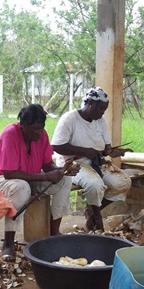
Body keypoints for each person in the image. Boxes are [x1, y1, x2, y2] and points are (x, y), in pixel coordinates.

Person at [0, 104, 79, 262]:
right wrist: (46, 177)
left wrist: (61, 170)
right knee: (21, 187)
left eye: (41, 128)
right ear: (23, 125)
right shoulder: (10, 133)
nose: (39, 132)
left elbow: (47, 165)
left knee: (65, 179)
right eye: (34, 129)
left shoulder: (42, 135)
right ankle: (8, 243)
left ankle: (54, 232)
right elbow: (9, 173)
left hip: (28, 177)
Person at [51, 86, 132, 232]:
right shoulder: (70, 119)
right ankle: (97, 215)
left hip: (96, 162)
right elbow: (56, 146)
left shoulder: (100, 121)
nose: (102, 113)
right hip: (72, 163)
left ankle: (93, 210)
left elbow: (106, 148)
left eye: (104, 109)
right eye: (100, 109)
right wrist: (84, 151)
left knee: (123, 182)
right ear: (89, 103)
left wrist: (113, 152)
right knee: (95, 185)